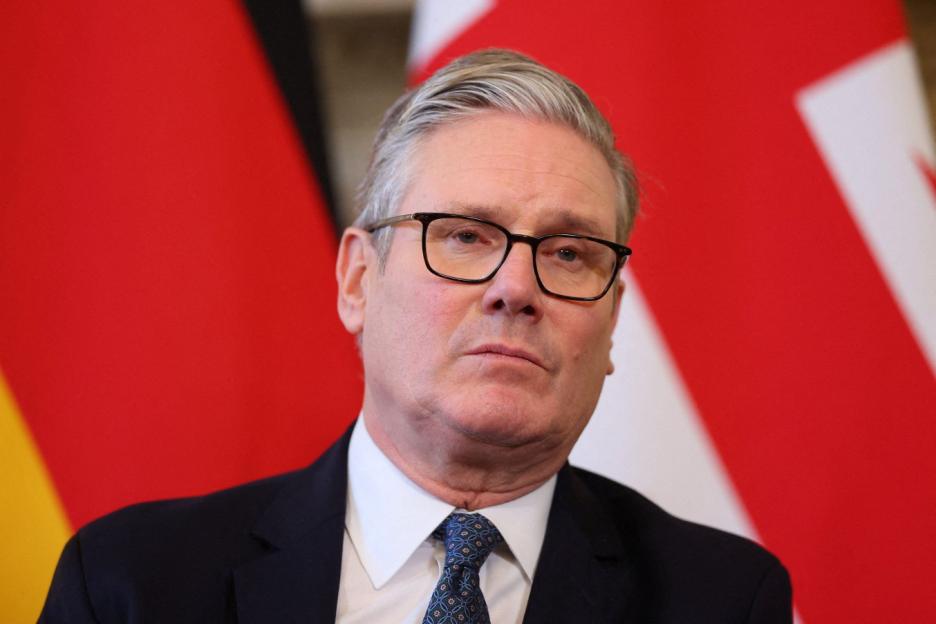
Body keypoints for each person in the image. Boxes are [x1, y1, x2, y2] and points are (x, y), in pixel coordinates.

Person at [40, 49, 792, 623]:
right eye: (464, 235)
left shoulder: (725, 600)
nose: (515, 288)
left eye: (569, 253)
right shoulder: (130, 585)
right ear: (357, 281)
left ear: (613, 319)